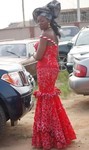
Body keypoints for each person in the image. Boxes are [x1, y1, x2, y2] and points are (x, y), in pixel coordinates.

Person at [31, 1, 76, 149]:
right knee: (50, 98)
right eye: (38, 21)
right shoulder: (55, 34)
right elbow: (54, 55)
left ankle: (49, 136)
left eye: (42, 21)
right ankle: (58, 133)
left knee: (45, 98)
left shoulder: (45, 35)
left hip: (44, 69)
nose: (39, 24)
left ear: (48, 20)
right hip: (53, 68)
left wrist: (33, 53)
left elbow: (38, 57)